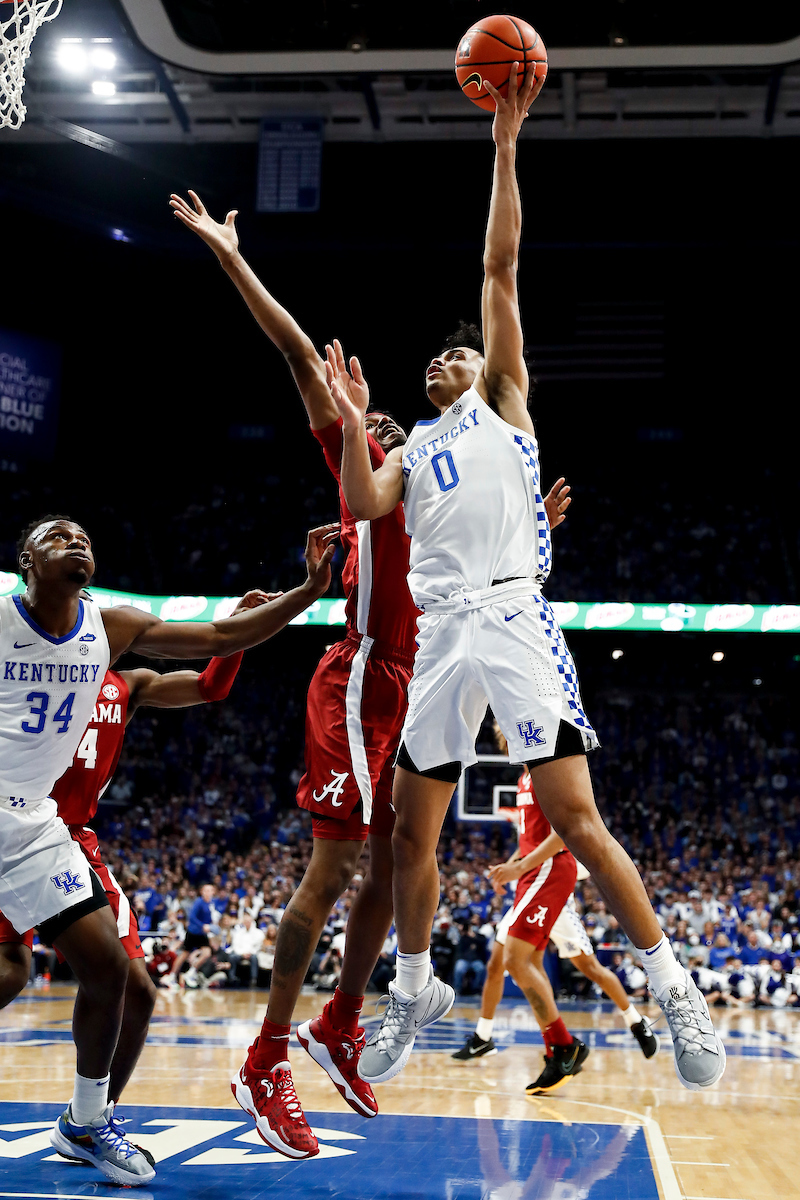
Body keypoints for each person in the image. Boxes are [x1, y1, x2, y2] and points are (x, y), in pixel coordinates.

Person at [326, 63, 725, 1093]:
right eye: (427, 369)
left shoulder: (501, 400)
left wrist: (503, 150)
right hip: (438, 635)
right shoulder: (408, 448)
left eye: (445, 361)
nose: (435, 369)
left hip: (508, 621)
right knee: (407, 833)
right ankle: (412, 986)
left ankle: (671, 989)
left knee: (577, 819)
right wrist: (343, 414)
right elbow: (365, 503)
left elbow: (498, 273)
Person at [170, 186, 576, 1157]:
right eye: (381, 426)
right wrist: (230, 255)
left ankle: (339, 1024)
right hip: (358, 680)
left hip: (412, 682)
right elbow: (297, 353)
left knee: (403, 864)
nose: (396, 430)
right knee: (339, 867)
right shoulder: (366, 475)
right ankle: (267, 1054)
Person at [0, 513, 335, 1184]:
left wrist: (306, 593)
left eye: (85, 536)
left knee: (112, 971)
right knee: (11, 973)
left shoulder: (114, 632)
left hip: (37, 827)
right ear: (25, 562)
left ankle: (87, 1121)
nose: (77, 540)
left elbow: (219, 638)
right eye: (57, 534)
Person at [0, 603, 261, 1110]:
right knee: (11, 970)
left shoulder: (128, 684)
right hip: (16, 825)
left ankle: (95, 1115)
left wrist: (239, 638)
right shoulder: (28, 663)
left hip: (72, 838)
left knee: (137, 988)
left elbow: (210, 686)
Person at [452, 758, 658, 1092]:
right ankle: (490, 1038)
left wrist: (519, 868)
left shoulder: (544, 769)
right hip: (532, 877)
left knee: (584, 967)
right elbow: (529, 839)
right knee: (504, 962)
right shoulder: (522, 779)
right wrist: (512, 866)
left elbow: (562, 834)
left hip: (549, 880)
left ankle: (633, 1023)